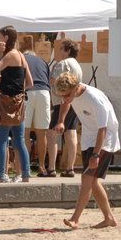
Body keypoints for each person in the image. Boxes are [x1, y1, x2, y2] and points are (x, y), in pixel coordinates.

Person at [52, 70, 120, 229]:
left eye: (67, 94)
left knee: (87, 179)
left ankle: (75, 219)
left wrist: (96, 154)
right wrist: (61, 121)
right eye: (62, 95)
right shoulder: (70, 94)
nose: (65, 98)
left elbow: (103, 129)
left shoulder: (95, 99)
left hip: (105, 139)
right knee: (93, 181)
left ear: (76, 87)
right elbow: (65, 104)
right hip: (90, 137)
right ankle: (109, 218)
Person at [0, 25, 32, 183]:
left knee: (2, 140)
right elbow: (30, 82)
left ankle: (1, 174)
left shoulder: (9, 55)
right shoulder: (20, 55)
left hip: (5, 103)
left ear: (6, 38)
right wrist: (18, 91)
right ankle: (26, 173)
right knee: (19, 140)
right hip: (19, 102)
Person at [20, 36, 54, 177]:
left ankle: (25, 167)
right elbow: (48, 80)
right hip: (44, 93)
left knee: (25, 132)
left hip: (28, 92)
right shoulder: (42, 61)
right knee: (42, 133)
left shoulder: (21, 59)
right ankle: (41, 167)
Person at [50, 39, 84, 177]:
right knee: (71, 133)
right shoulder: (77, 66)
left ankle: (51, 168)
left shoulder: (63, 64)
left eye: (61, 49)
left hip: (61, 101)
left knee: (51, 134)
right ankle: (70, 167)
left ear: (68, 50)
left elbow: (54, 81)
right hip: (74, 101)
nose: (59, 52)